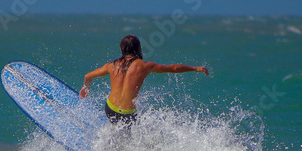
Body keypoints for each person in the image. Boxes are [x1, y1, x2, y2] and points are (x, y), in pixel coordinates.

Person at [79, 35, 209, 125]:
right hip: (128, 114)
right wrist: (195, 68)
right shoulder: (144, 66)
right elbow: (173, 68)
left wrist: (86, 88)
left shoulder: (111, 66)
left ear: (122, 49)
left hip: (110, 109)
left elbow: (87, 76)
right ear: (138, 49)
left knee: (116, 127)